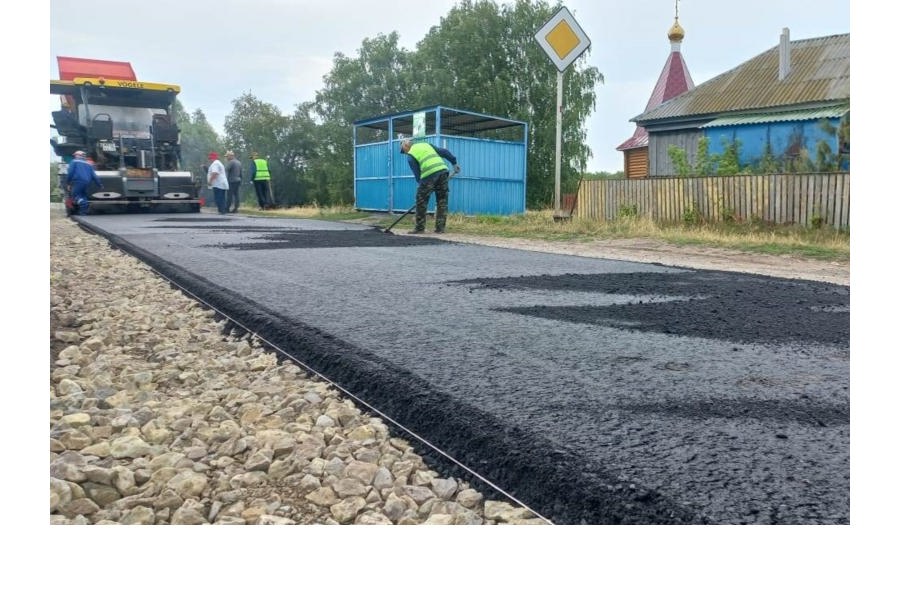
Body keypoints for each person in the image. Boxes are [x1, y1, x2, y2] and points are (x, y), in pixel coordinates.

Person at [399, 139, 460, 233]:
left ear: (406, 148)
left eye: (404, 151)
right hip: (443, 172)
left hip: (428, 176)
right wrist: (454, 163)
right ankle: (440, 229)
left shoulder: (410, 156)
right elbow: (444, 152)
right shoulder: (426, 145)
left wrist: (423, 191)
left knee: (421, 202)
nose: (405, 153)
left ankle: (419, 228)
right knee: (442, 201)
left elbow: (418, 175)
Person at [66, 150, 102, 216]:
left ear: (77, 155)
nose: (74, 156)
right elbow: (94, 176)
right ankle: (83, 212)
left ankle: (83, 205)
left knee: (75, 196)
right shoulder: (89, 164)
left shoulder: (74, 162)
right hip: (87, 182)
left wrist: (68, 183)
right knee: (83, 195)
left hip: (78, 181)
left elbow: (70, 173)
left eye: (75, 155)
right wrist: (100, 185)